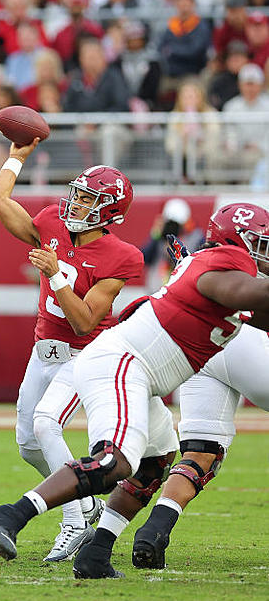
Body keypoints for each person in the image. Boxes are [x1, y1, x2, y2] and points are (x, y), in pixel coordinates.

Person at [0, 202, 269, 578]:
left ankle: (95, 553)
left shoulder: (217, 266)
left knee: (156, 462)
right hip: (124, 364)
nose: (265, 251)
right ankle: (11, 514)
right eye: (260, 243)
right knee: (113, 463)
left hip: (137, 370)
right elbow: (251, 294)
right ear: (238, 242)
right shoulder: (222, 268)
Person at [0, 139, 145, 561]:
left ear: (108, 211)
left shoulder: (121, 256)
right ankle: (84, 498)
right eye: (77, 194)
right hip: (45, 349)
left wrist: (57, 276)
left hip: (86, 353)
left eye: (87, 199)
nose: (74, 203)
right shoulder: (53, 223)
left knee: (45, 424)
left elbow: (85, 321)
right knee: (27, 443)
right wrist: (17, 156)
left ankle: (74, 517)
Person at [72, 238, 269, 576]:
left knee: (201, 453)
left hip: (203, 352)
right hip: (242, 340)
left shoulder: (201, 261)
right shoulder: (235, 271)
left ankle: (151, 532)